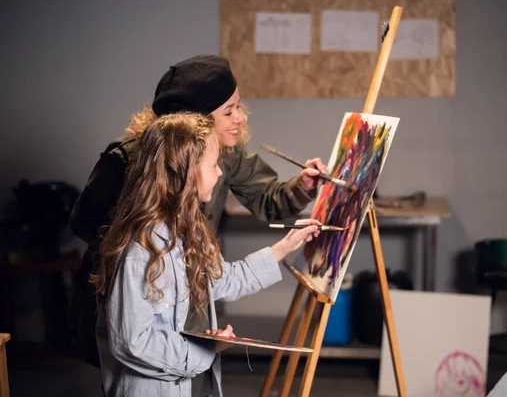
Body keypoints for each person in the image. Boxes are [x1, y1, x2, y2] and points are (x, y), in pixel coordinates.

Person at [69, 55, 328, 367]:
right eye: (229, 111)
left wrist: (301, 187)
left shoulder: (227, 155)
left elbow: (265, 206)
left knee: (188, 368)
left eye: (239, 106)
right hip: (137, 301)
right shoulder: (127, 163)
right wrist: (154, 257)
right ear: (193, 124)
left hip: (190, 297)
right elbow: (85, 224)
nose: (241, 118)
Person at [93, 112, 321, 397]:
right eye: (214, 164)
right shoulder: (142, 250)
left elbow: (224, 281)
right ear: (186, 173)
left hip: (192, 383)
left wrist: (287, 245)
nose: (220, 173)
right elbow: (131, 342)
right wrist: (204, 352)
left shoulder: (193, 231)